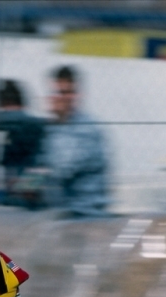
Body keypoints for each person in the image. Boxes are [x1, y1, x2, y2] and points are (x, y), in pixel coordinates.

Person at [38, 65, 110, 217]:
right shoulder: (54, 127)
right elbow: (41, 161)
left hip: (86, 213)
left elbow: (62, 168)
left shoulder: (87, 129)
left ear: (77, 94)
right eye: (58, 93)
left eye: (68, 93)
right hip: (62, 213)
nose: (63, 98)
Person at [0, 79, 46, 207]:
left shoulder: (30, 125)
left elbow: (39, 166)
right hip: (11, 197)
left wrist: (27, 186)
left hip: (29, 200)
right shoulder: (9, 129)